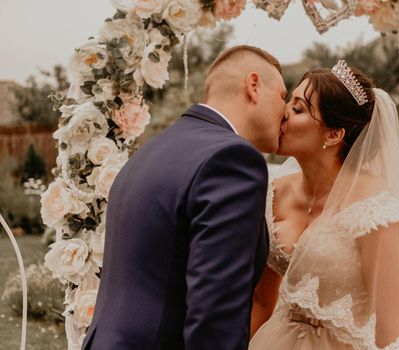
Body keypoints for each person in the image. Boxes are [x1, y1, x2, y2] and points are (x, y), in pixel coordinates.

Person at [82, 45, 288, 350]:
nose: (285, 111)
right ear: (253, 85)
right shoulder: (232, 159)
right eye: (284, 96)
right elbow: (215, 316)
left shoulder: (153, 150)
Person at [249, 61, 399, 349]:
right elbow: (263, 300)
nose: (283, 113)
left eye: (298, 109)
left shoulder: (378, 213)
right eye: (289, 102)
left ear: (333, 134)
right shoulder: (272, 193)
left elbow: (393, 333)